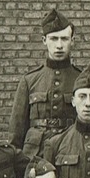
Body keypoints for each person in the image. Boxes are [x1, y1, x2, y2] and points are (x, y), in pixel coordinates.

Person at [10, 8, 82, 157]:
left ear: (72, 41)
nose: (59, 45)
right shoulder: (29, 81)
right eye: (54, 39)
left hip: (69, 151)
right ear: (44, 41)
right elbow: (17, 132)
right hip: (35, 153)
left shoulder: (81, 80)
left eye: (64, 39)